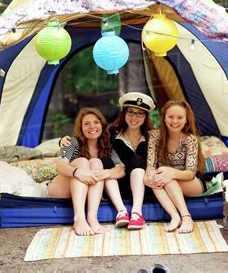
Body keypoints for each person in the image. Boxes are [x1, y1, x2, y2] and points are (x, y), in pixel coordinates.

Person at [61, 92, 156, 230]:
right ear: (124, 114)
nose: (134, 117)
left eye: (140, 113)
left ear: (146, 116)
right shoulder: (111, 134)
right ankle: (118, 212)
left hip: (143, 185)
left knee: (103, 163)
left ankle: (135, 213)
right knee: (95, 162)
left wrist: (103, 174)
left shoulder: (152, 136)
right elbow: (62, 161)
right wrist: (63, 142)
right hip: (113, 186)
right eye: (130, 112)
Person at [47, 107, 125, 236]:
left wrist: (105, 173)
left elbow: (121, 169)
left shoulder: (106, 146)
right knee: (82, 161)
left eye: (96, 122)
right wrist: (78, 173)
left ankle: (92, 218)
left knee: (96, 162)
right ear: (81, 127)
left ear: (102, 125)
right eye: (86, 123)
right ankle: (79, 218)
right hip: (60, 189)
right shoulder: (73, 142)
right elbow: (60, 166)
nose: (92, 126)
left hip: (87, 186)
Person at [144, 99, 205, 234]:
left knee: (165, 177)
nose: (175, 121)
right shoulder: (155, 136)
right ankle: (175, 216)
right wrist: (150, 176)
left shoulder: (190, 140)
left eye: (179, 117)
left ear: (186, 120)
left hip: (191, 182)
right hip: (165, 180)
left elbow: (190, 173)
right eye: (171, 117)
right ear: (164, 118)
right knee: (154, 179)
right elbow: (151, 164)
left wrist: (170, 172)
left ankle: (186, 217)